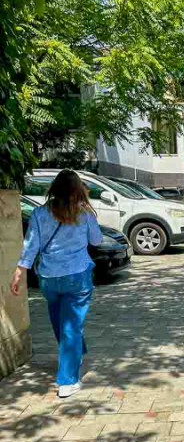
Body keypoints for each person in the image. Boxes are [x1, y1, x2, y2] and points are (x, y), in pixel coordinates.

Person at [10, 169, 103, 398]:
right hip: (77, 275)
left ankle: (74, 354)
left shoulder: (40, 213)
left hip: (49, 277)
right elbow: (97, 240)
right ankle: (68, 381)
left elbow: (31, 245)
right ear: (78, 190)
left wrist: (20, 271)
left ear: (54, 188)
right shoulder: (84, 213)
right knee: (71, 325)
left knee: (61, 321)